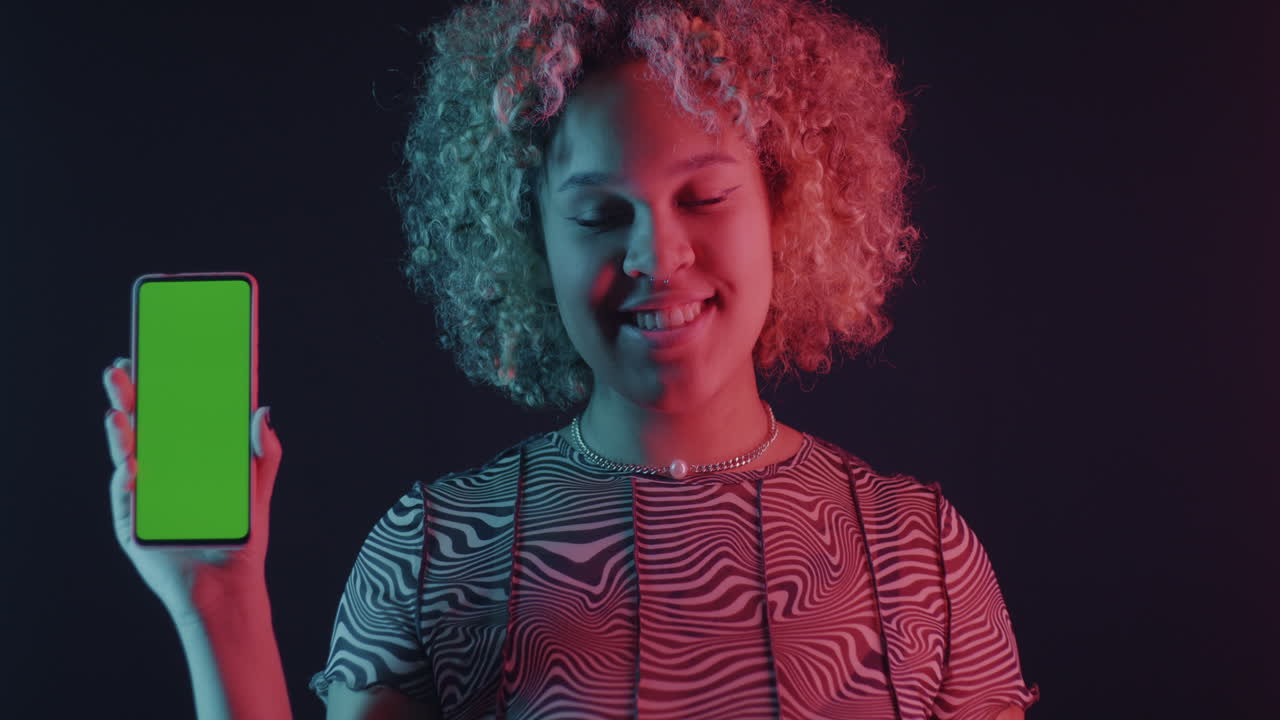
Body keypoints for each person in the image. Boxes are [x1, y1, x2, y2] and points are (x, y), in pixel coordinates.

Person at [103, 0, 1041, 717]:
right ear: (529, 243)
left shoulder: (921, 551)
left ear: (787, 211)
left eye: (705, 198)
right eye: (599, 215)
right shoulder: (431, 550)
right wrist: (218, 610)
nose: (655, 257)